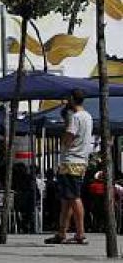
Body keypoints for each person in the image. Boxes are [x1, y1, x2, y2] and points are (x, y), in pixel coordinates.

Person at [45, 90, 92, 245]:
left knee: (74, 197)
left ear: (72, 99)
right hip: (81, 161)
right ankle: (62, 232)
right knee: (66, 199)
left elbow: (68, 137)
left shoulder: (75, 117)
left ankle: (80, 233)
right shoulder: (88, 116)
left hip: (71, 161)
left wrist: (63, 138)